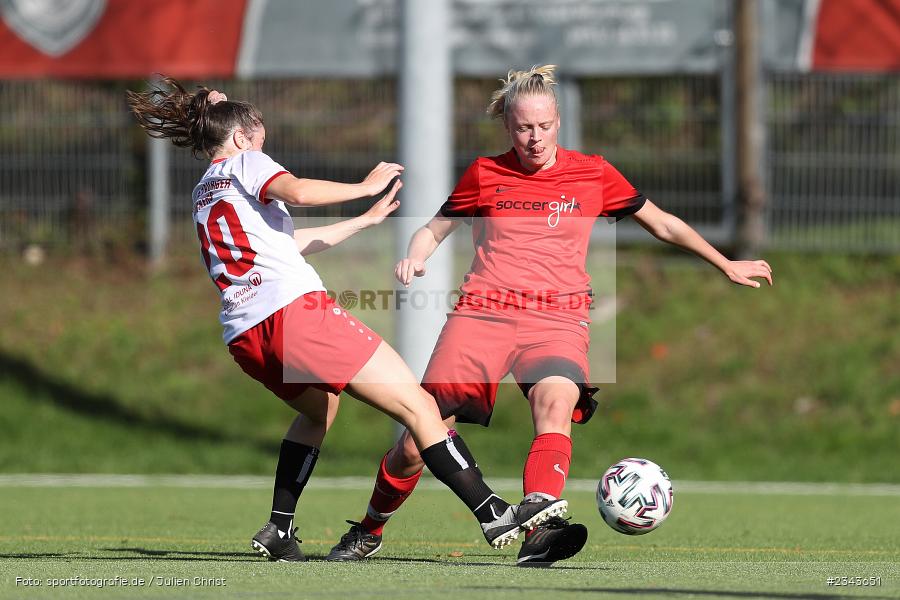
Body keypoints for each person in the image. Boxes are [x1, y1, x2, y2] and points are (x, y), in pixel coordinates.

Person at [326, 65, 773, 566]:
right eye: (523, 128)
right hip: (482, 315)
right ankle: (369, 529)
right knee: (416, 440)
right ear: (507, 126)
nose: (534, 138)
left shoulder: (593, 172)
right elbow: (432, 229)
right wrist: (416, 255)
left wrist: (724, 262)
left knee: (556, 402)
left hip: (558, 319)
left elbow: (663, 224)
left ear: (558, 122)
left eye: (543, 126)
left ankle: (539, 527)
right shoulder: (485, 173)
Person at [126, 78, 569, 562]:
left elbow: (287, 245)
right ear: (238, 138)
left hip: (247, 336)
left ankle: (278, 528)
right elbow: (297, 190)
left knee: (319, 411)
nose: (262, 144)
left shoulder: (205, 191)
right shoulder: (246, 162)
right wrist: (364, 187)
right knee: (419, 406)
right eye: (258, 135)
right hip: (295, 315)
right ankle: (492, 511)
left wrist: (362, 222)